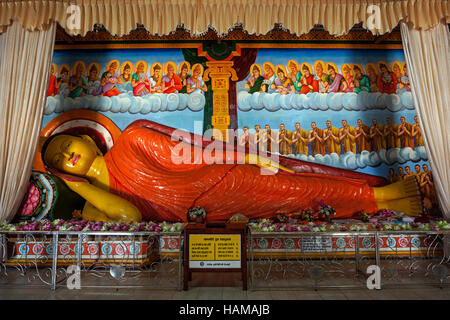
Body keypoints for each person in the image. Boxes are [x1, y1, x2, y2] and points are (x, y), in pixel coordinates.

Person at [40, 120, 424, 221]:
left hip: (217, 181)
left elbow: (192, 154)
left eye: (66, 145)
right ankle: (376, 201)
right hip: (201, 213)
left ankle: (380, 196)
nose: (64, 155)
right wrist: (76, 184)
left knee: (292, 190)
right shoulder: (98, 201)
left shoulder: (132, 141)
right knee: (288, 209)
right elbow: (129, 214)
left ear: (91, 140)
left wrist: (249, 157)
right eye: (56, 159)